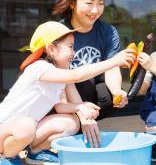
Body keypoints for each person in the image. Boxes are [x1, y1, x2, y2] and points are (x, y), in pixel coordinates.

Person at [0, 21, 135, 164]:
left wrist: (79, 107)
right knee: (26, 125)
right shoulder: (39, 68)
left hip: (26, 130)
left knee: (71, 123)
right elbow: (76, 76)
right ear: (51, 49)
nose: (74, 53)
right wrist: (115, 61)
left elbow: (60, 106)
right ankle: (6, 157)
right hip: (5, 129)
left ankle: (36, 152)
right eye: (70, 47)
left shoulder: (59, 73)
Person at [52, 0, 126, 119]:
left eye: (100, 3)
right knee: (83, 82)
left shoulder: (108, 32)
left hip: (91, 91)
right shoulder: (58, 32)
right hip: (63, 94)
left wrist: (117, 91)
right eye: (89, 3)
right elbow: (59, 80)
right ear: (72, 2)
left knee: (107, 94)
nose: (95, 10)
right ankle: (78, 121)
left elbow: (112, 67)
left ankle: (86, 120)